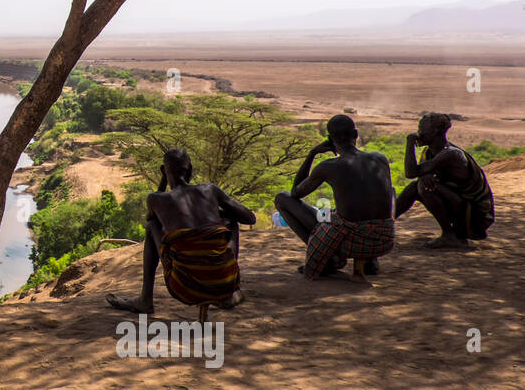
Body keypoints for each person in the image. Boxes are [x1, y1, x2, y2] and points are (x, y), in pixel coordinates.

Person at [107, 148, 255, 320]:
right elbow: (250, 218)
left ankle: (145, 300)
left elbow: (153, 217)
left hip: (184, 287)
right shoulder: (210, 190)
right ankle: (230, 292)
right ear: (190, 170)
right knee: (231, 221)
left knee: (151, 226)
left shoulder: (156, 199)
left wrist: (164, 178)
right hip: (223, 283)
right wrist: (215, 212)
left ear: (164, 171)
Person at [273, 114, 394, 284]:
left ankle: (329, 259)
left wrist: (312, 153)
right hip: (384, 240)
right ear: (356, 134)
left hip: (352, 242)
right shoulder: (379, 159)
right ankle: (369, 260)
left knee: (282, 199)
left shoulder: (330, 166)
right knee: (348, 214)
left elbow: (295, 193)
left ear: (330, 139)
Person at [395, 112, 494, 248]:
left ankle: (449, 236)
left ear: (435, 131)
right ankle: (385, 224)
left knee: (425, 186)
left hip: (475, 216)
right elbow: (418, 173)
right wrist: (424, 175)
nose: (419, 133)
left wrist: (410, 142)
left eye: (422, 129)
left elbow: (410, 172)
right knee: (415, 187)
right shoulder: (429, 152)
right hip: (461, 207)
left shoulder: (450, 154)